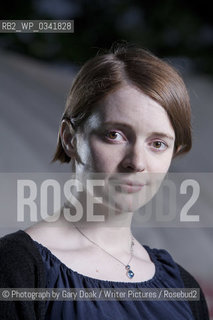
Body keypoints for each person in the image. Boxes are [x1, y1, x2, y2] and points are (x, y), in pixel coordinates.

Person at [0, 44, 209, 320]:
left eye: (157, 143)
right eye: (115, 135)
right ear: (69, 138)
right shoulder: (17, 269)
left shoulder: (183, 285)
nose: (136, 162)